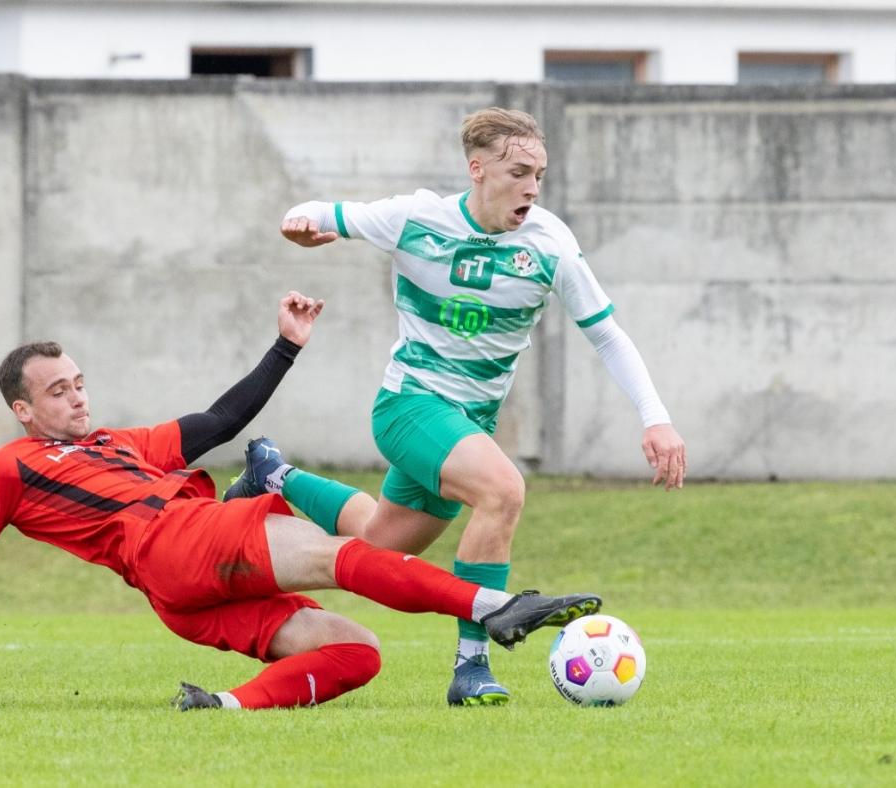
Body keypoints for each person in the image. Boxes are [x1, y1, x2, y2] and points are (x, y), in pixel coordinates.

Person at [0, 291, 601, 712]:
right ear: (24, 410)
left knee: (356, 653)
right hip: (175, 546)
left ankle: (224, 707)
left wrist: (286, 346)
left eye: (79, 383)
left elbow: (221, 420)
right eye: (58, 392)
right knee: (338, 553)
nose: (77, 398)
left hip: (181, 593)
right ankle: (491, 609)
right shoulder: (9, 465)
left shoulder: (120, 444)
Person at [231, 107, 685, 707]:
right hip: (410, 406)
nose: (532, 187)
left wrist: (655, 417)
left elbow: (605, 333)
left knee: (378, 547)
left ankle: (271, 473)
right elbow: (326, 213)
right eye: (519, 171)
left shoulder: (549, 243)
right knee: (502, 492)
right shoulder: (417, 218)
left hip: (468, 423)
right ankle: (472, 668)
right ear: (477, 169)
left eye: (539, 174)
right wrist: (303, 223)